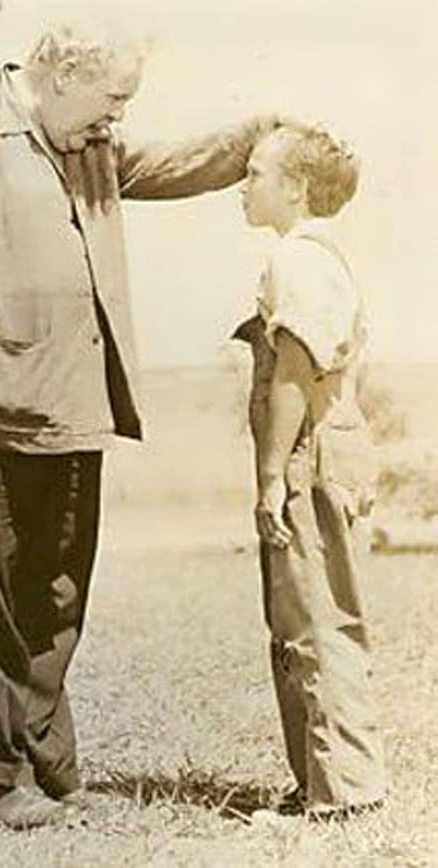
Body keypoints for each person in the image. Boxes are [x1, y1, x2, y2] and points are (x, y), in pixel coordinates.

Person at [0, 18, 282, 828]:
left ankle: (49, 765)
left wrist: (256, 135)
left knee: (58, 592)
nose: (116, 118)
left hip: (72, 404)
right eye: (111, 98)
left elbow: (165, 164)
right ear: (62, 76)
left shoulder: (86, 137)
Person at [234, 123, 387, 818]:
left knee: (314, 622)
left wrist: (272, 476)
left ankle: (341, 795)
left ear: (295, 188)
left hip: (312, 451)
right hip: (337, 442)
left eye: (257, 173)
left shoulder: (296, 260)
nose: (245, 184)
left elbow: (296, 369)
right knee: (318, 618)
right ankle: (327, 784)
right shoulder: (322, 257)